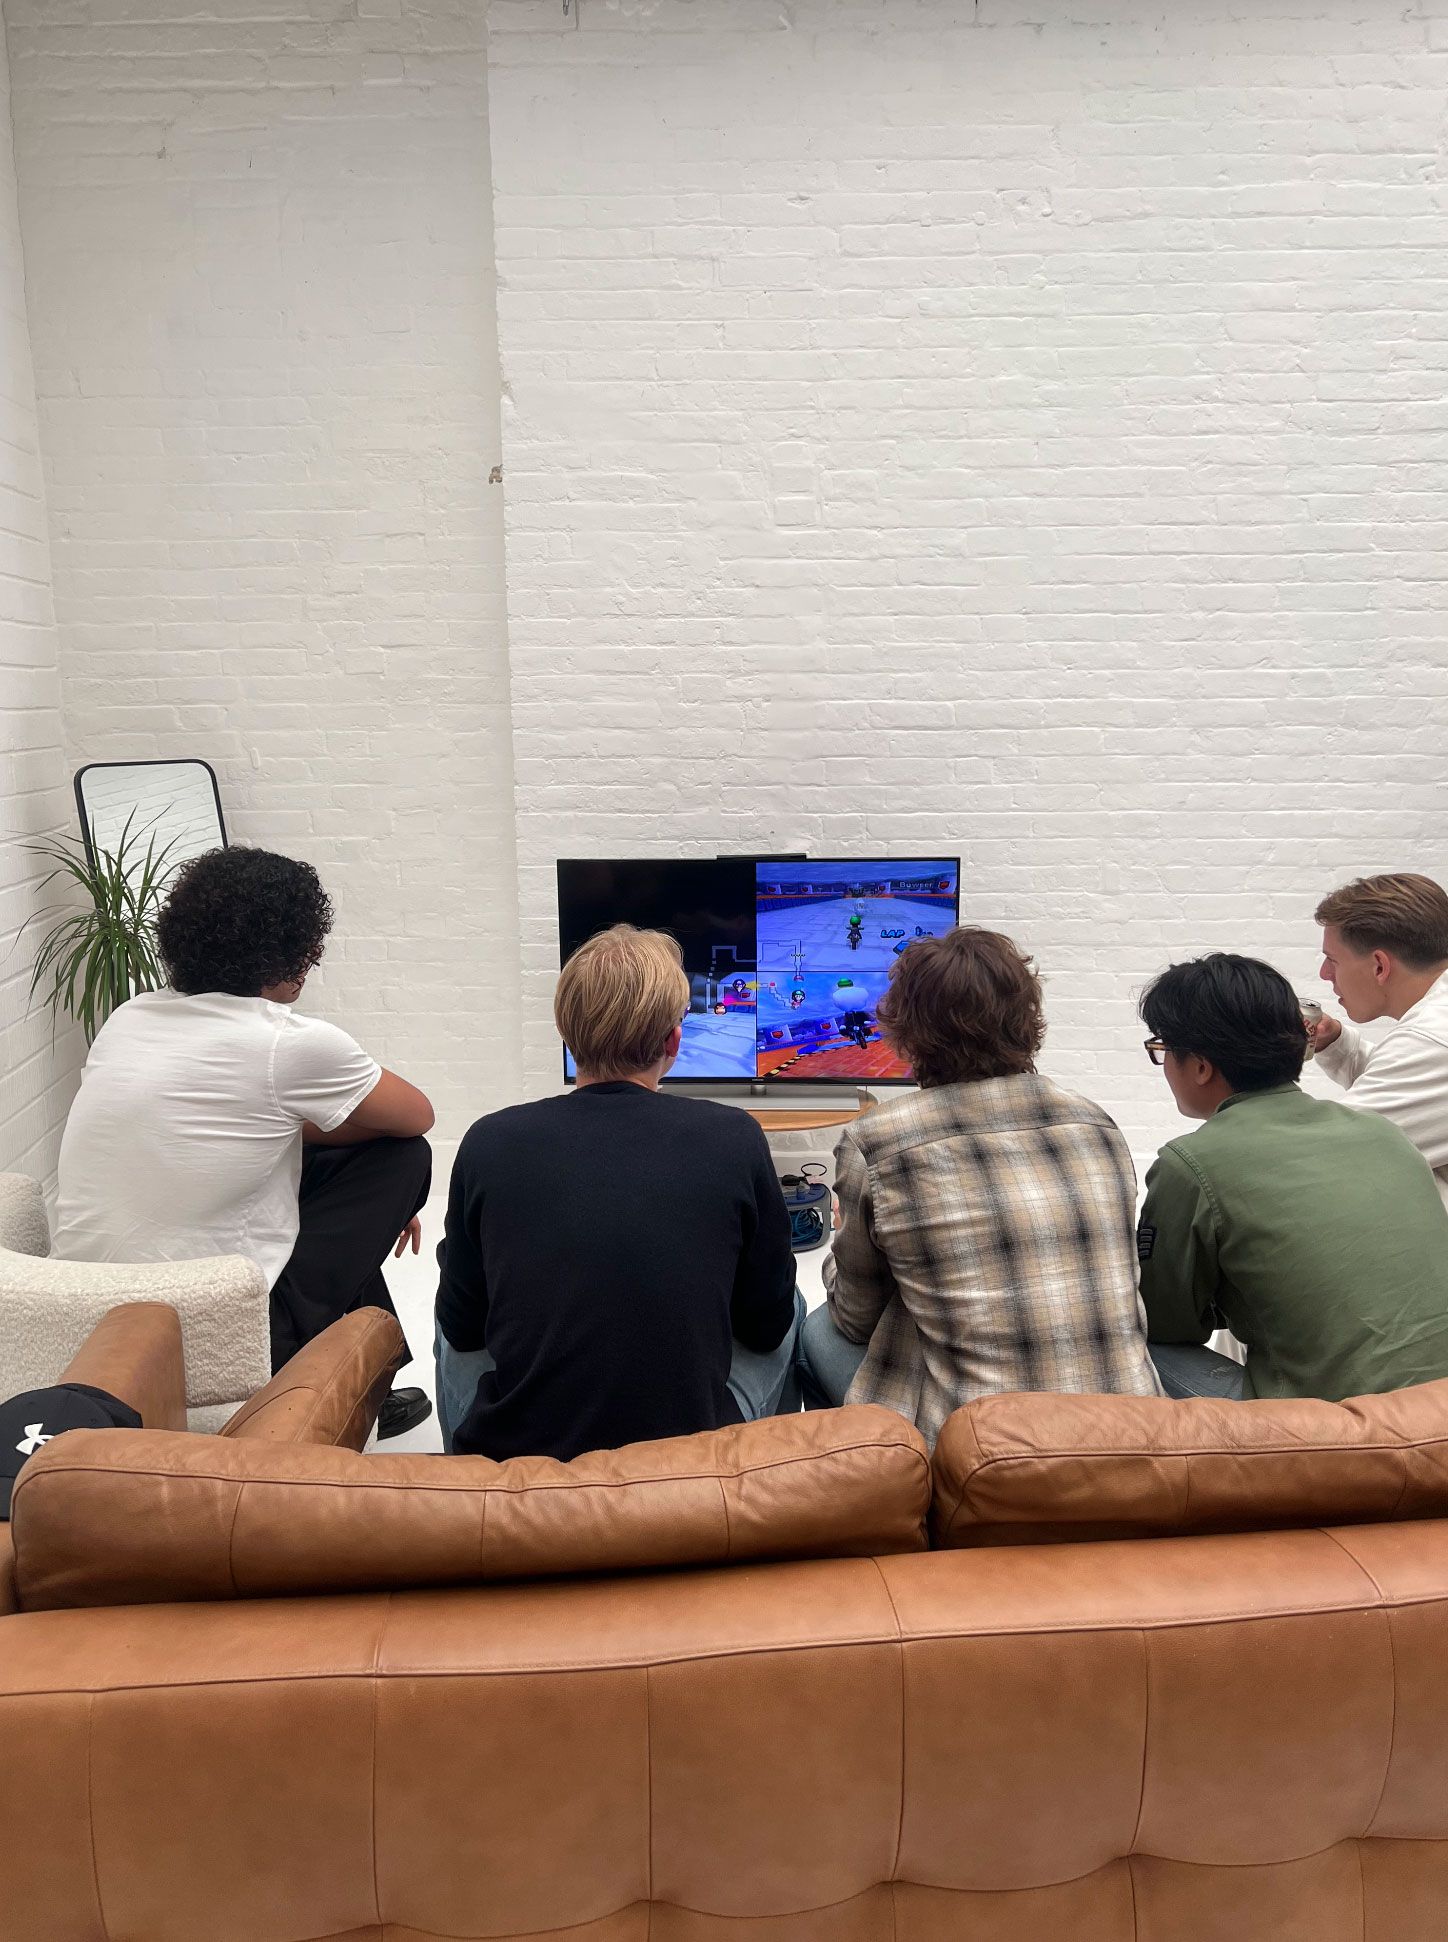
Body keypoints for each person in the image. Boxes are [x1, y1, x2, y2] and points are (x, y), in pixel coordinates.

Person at [51, 846, 435, 1437]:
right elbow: (415, 1117)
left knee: (299, 1154)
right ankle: (302, 1362)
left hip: (78, 1312)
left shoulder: (129, 1017)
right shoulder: (289, 1042)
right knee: (399, 1159)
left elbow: (236, 1129)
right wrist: (385, 1207)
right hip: (210, 1324)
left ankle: (374, 1390)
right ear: (291, 952)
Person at [434, 923, 803, 1460]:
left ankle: (468, 1475)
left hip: (522, 1458)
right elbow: (766, 1327)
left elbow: (463, 1328)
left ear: (566, 1035)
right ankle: (767, 1475)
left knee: (448, 1314)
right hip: (688, 1454)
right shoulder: (735, 1136)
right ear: (673, 1042)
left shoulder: (487, 1140)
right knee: (791, 1299)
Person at [797, 927, 1161, 1448]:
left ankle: (856, 1475)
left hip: (983, 1452)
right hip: (1134, 1433)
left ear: (905, 1032)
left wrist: (845, 1247)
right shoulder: (1096, 1122)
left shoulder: (877, 1141)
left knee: (816, 1328)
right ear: (1027, 1018)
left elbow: (855, 1317)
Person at [1138, 952, 1448, 1402]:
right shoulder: (1382, 1131)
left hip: (1331, 1426)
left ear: (1201, 1066)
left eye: (1163, 1049)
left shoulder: (1190, 1163)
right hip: (1436, 1405)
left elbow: (1166, 1321)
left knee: (1135, 1337)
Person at [1309, 873, 1448, 1207]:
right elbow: (1411, 1091)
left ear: (1379, 967)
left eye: (1332, 960)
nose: (1325, 974)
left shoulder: (1430, 1038)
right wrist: (1335, 1042)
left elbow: (1319, 1153)